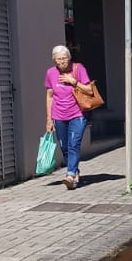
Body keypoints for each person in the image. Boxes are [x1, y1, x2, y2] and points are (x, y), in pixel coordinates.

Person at [44, 43, 91, 190]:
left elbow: (89, 90)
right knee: (64, 146)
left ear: (69, 58)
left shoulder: (79, 69)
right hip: (59, 115)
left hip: (77, 114)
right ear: (54, 60)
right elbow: (50, 96)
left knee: (74, 144)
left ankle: (70, 174)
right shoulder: (51, 73)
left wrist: (74, 81)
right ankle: (75, 171)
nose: (62, 61)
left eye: (65, 58)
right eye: (59, 59)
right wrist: (49, 119)